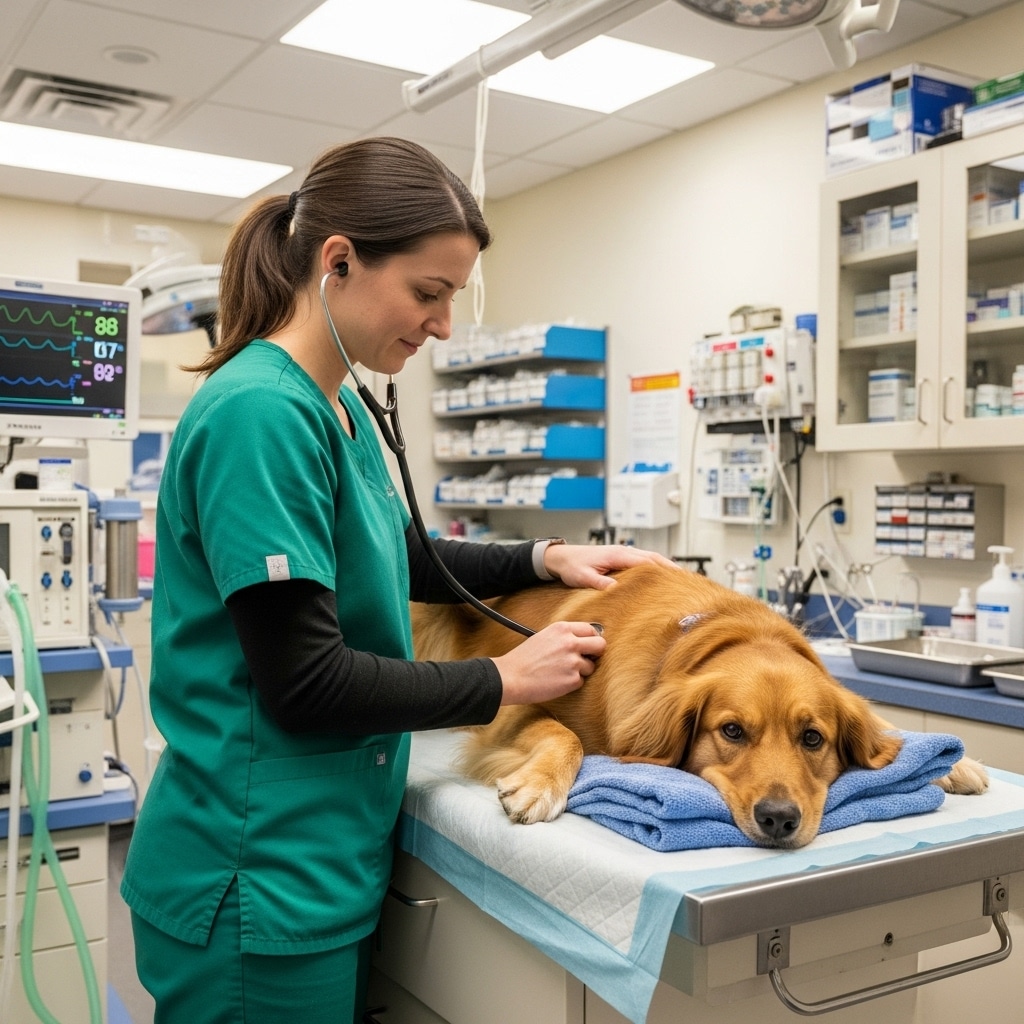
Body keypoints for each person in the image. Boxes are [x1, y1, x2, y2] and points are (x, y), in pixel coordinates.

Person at [120, 136, 677, 1024]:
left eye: (452, 297)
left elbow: (398, 553)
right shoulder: (262, 413)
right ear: (337, 261)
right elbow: (304, 683)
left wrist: (546, 559)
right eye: (429, 292)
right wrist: (502, 681)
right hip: (256, 874)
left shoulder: (332, 402)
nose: (445, 325)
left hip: (318, 861)